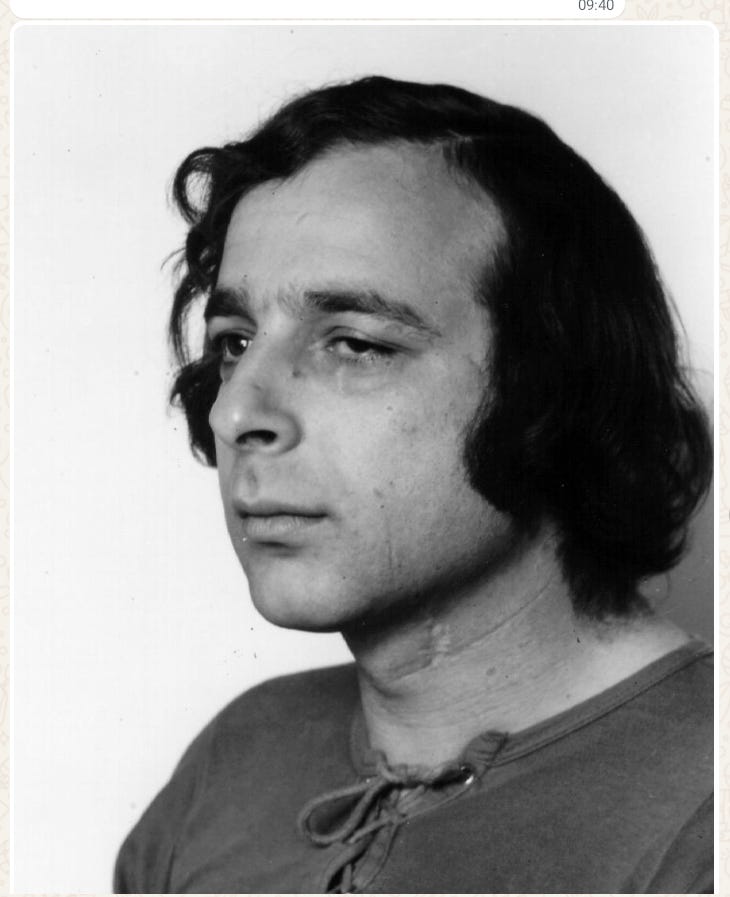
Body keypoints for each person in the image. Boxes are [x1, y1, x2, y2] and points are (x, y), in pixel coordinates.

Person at [114, 76, 713, 894]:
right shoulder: (237, 759)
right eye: (236, 341)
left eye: (355, 344)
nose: (235, 412)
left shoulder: (703, 820)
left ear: (553, 385)